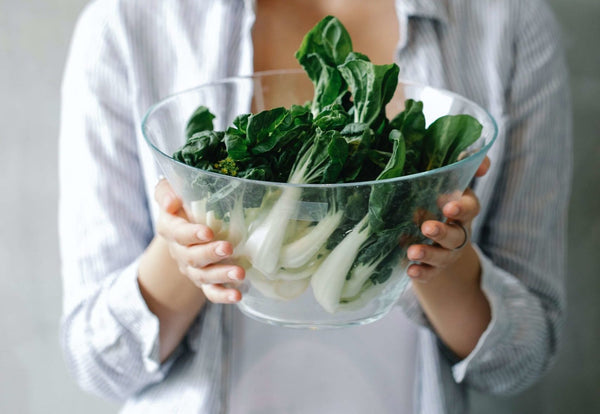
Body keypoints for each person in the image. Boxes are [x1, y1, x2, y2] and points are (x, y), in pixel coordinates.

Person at [58, 0, 572, 413]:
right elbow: (99, 363)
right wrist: (188, 243)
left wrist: (437, 250)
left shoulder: (511, 21)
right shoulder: (126, 23)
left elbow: (518, 363)